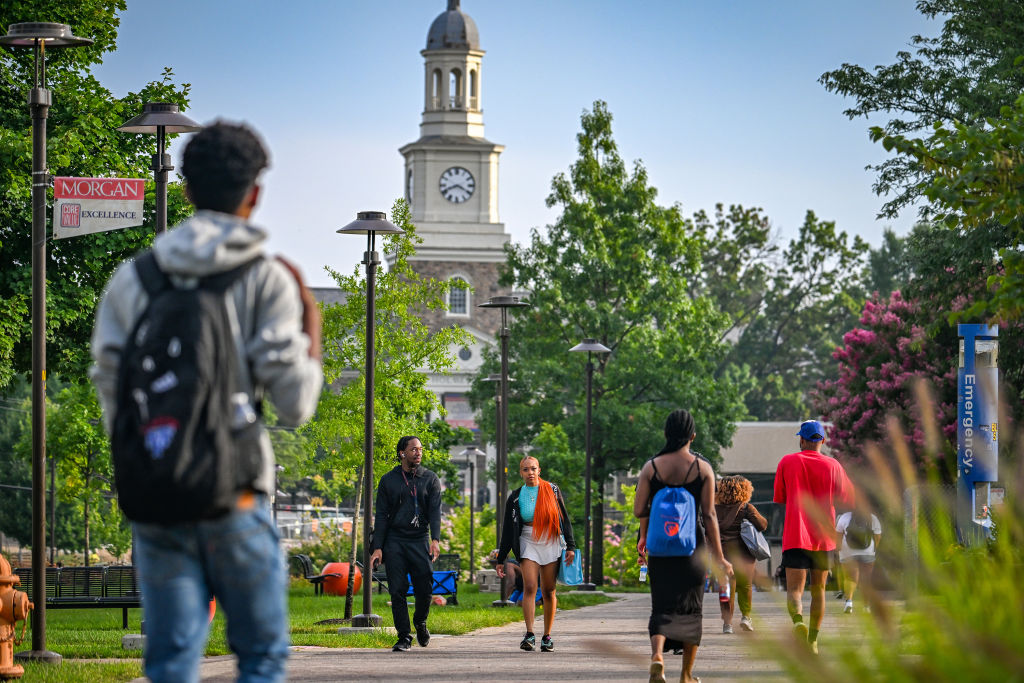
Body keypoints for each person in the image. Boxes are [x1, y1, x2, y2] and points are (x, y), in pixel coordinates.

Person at [91, 121, 323, 683]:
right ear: (255, 193)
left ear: (187, 191)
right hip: (235, 497)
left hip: (158, 500)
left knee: (171, 661)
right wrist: (310, 322)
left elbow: (110, 386)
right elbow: (294, 406)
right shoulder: (268, 279)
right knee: (261, 658)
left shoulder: (134, 279)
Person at [634, 409, 733, 683]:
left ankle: (657, 658)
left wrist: (646, 532)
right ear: (693, 435)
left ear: (666, 433)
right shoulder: (702, 469)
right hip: (694, 548)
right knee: (692, 608)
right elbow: (710, 515)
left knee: (662, 606)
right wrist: (721, 558)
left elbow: (639, 508)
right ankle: (686, 675)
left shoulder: (650, 468)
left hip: (661, 548)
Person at [773, 420, 854, 654]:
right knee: (818, 590)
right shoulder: (834, 466)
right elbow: (847, 499)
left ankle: (798, 622)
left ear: (801, 439)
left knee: (794, 591)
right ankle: (814, 642)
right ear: (823, 441)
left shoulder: (787, 462)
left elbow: (779, 497)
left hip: (796, 535)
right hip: (824, 538)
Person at [369, 436, 443, 652]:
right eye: (413, 449)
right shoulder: (388, 480)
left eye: (420, 449)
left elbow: (435, 512)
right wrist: (378, 548)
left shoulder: (430, 479)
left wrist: (435, 540)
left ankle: (420, 621)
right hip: (395, 541)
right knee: (397, 590)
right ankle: (404, 636)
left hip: (420, 539)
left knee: (424, 588)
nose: (418, 452)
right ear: (402, 453)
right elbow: (381, 515)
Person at [495, 455, 575, 653]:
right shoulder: (515, 496)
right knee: (530, 586)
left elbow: (564, 519)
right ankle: (529, 634)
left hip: (550, 540)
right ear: (520, 473)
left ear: (539, 470)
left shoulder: (552, 490)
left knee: (548, 590)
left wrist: (571, 546)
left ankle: (547, 636)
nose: (530, 473)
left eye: (533, 469)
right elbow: (507, 530)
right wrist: (501, 558)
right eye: (525, 469)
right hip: (527, 540)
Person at [714, 475, 768, 634]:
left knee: (726, 588)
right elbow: (763, 525)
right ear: (744, 490)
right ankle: (745, 617)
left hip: (722, 555)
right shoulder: (746, 508)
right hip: (744, 555)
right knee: (745, 586)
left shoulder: (714, 510)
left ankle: (727, 624)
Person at [835, 504, 882, 614]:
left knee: (850, 578)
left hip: (848, 552)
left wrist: (839, 550)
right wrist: (874, 549)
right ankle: (866, 606)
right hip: (868, 551)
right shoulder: (873, 518)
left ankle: (849, 603)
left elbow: (837, 535)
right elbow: (878, 536)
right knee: (866, 579)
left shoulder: (844, 517)